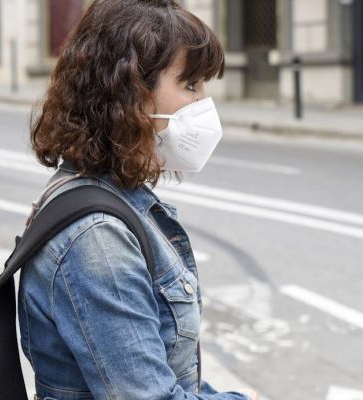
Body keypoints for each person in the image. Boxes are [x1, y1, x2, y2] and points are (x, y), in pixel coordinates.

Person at [18, 1, 258, 399]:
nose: (203, 105)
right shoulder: (98, 238)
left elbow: (167, 376)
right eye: (190, 85)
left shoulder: (112, 199)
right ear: (131, 92)